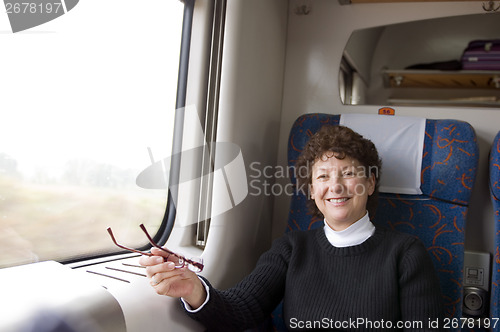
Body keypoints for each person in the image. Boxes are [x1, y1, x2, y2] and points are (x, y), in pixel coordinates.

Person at [139, 125, 444, 331]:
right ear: (311, 190)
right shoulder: (291, 249)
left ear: (370, 183)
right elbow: (241, 308)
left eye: (348, 173)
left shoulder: (405, 253)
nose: (335, 186)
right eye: (322, 177)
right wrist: (193, 288)